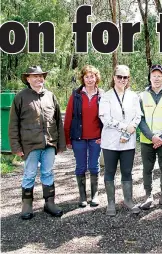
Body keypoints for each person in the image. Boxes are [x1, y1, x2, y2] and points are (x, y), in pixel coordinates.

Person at [9, 66, 66, 220]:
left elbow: (57, 122)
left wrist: (61, 144)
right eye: (35, 76)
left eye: (41, 76)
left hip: (49, 144)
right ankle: (27, 205)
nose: (39, 79)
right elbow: (13, 124)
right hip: (30, 145)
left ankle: (50, 203)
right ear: (28, 79)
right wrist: (16, 146)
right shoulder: (20, 97)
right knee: (29, 174)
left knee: (48, 173)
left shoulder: (50, 96)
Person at [99, 65, 142, 216]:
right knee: (109, 171)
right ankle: (111, 202)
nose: (122, 80)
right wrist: (125, 127)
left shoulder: (133, 96)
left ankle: (128, 200)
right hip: (111, 141)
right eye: (119, 77)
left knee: (127, 171)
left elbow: (138, 115)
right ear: (114, 77)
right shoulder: (106, 96)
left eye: (125, 77)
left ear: (128, 79)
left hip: (128, 141)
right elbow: (105, 118)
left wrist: (132, 127)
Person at [64, 65, 104, 208]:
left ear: (96, 78)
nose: (89, 79)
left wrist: (104, 136)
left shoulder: (102, 95)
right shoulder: (75, 95)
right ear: (83, 78)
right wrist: (67, 138)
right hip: (78, 138)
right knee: (81, 167)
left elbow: (107, 118)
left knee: (94, 166)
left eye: (92, 76)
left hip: (96, 138)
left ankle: (94, 195)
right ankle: (82, 196)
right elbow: (68, 117)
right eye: (86, 76)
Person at [139, 64, 162, 210]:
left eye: (159, 75)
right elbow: (139, 119)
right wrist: (152, 136)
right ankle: (148, 196)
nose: (156, 78)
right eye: (153, 75)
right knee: (147, 169)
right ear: (149, 77)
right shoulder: (141, 96)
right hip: (147, 140)